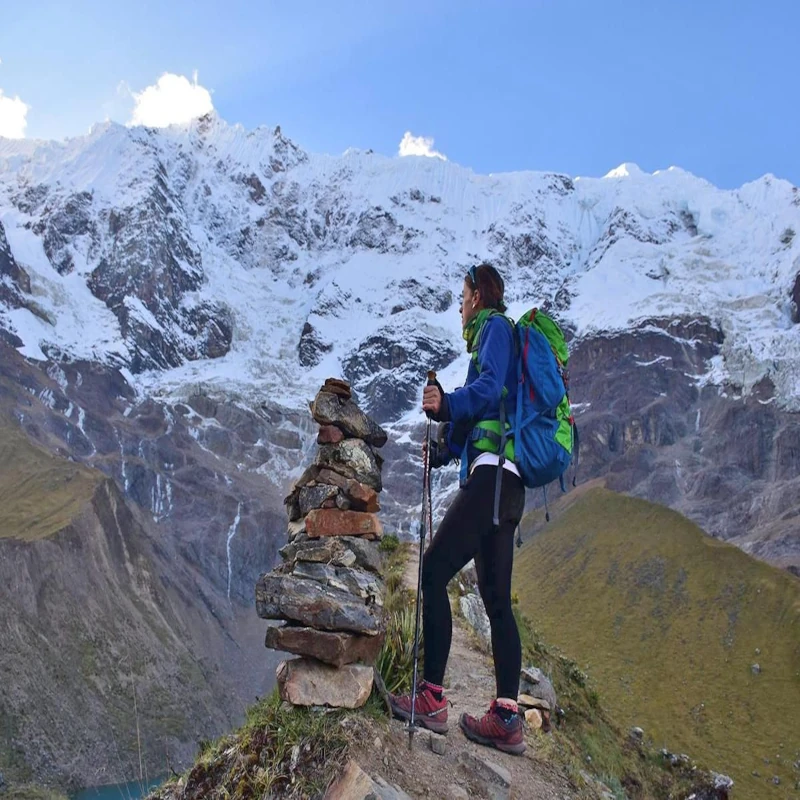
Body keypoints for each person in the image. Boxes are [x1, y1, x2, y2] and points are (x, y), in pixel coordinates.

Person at [389, 263, 527, 756]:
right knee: (495, 602)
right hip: (509, 485)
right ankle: (507, 717)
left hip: (491, 480)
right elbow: (482, 413)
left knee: (432, 571)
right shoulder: (496, 338)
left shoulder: (493, 329)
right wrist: (447, 449)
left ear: (479, 296)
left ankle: (430, 698)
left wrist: (446, 405)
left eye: (463, 295)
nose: (460, 304)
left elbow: (490, 388)